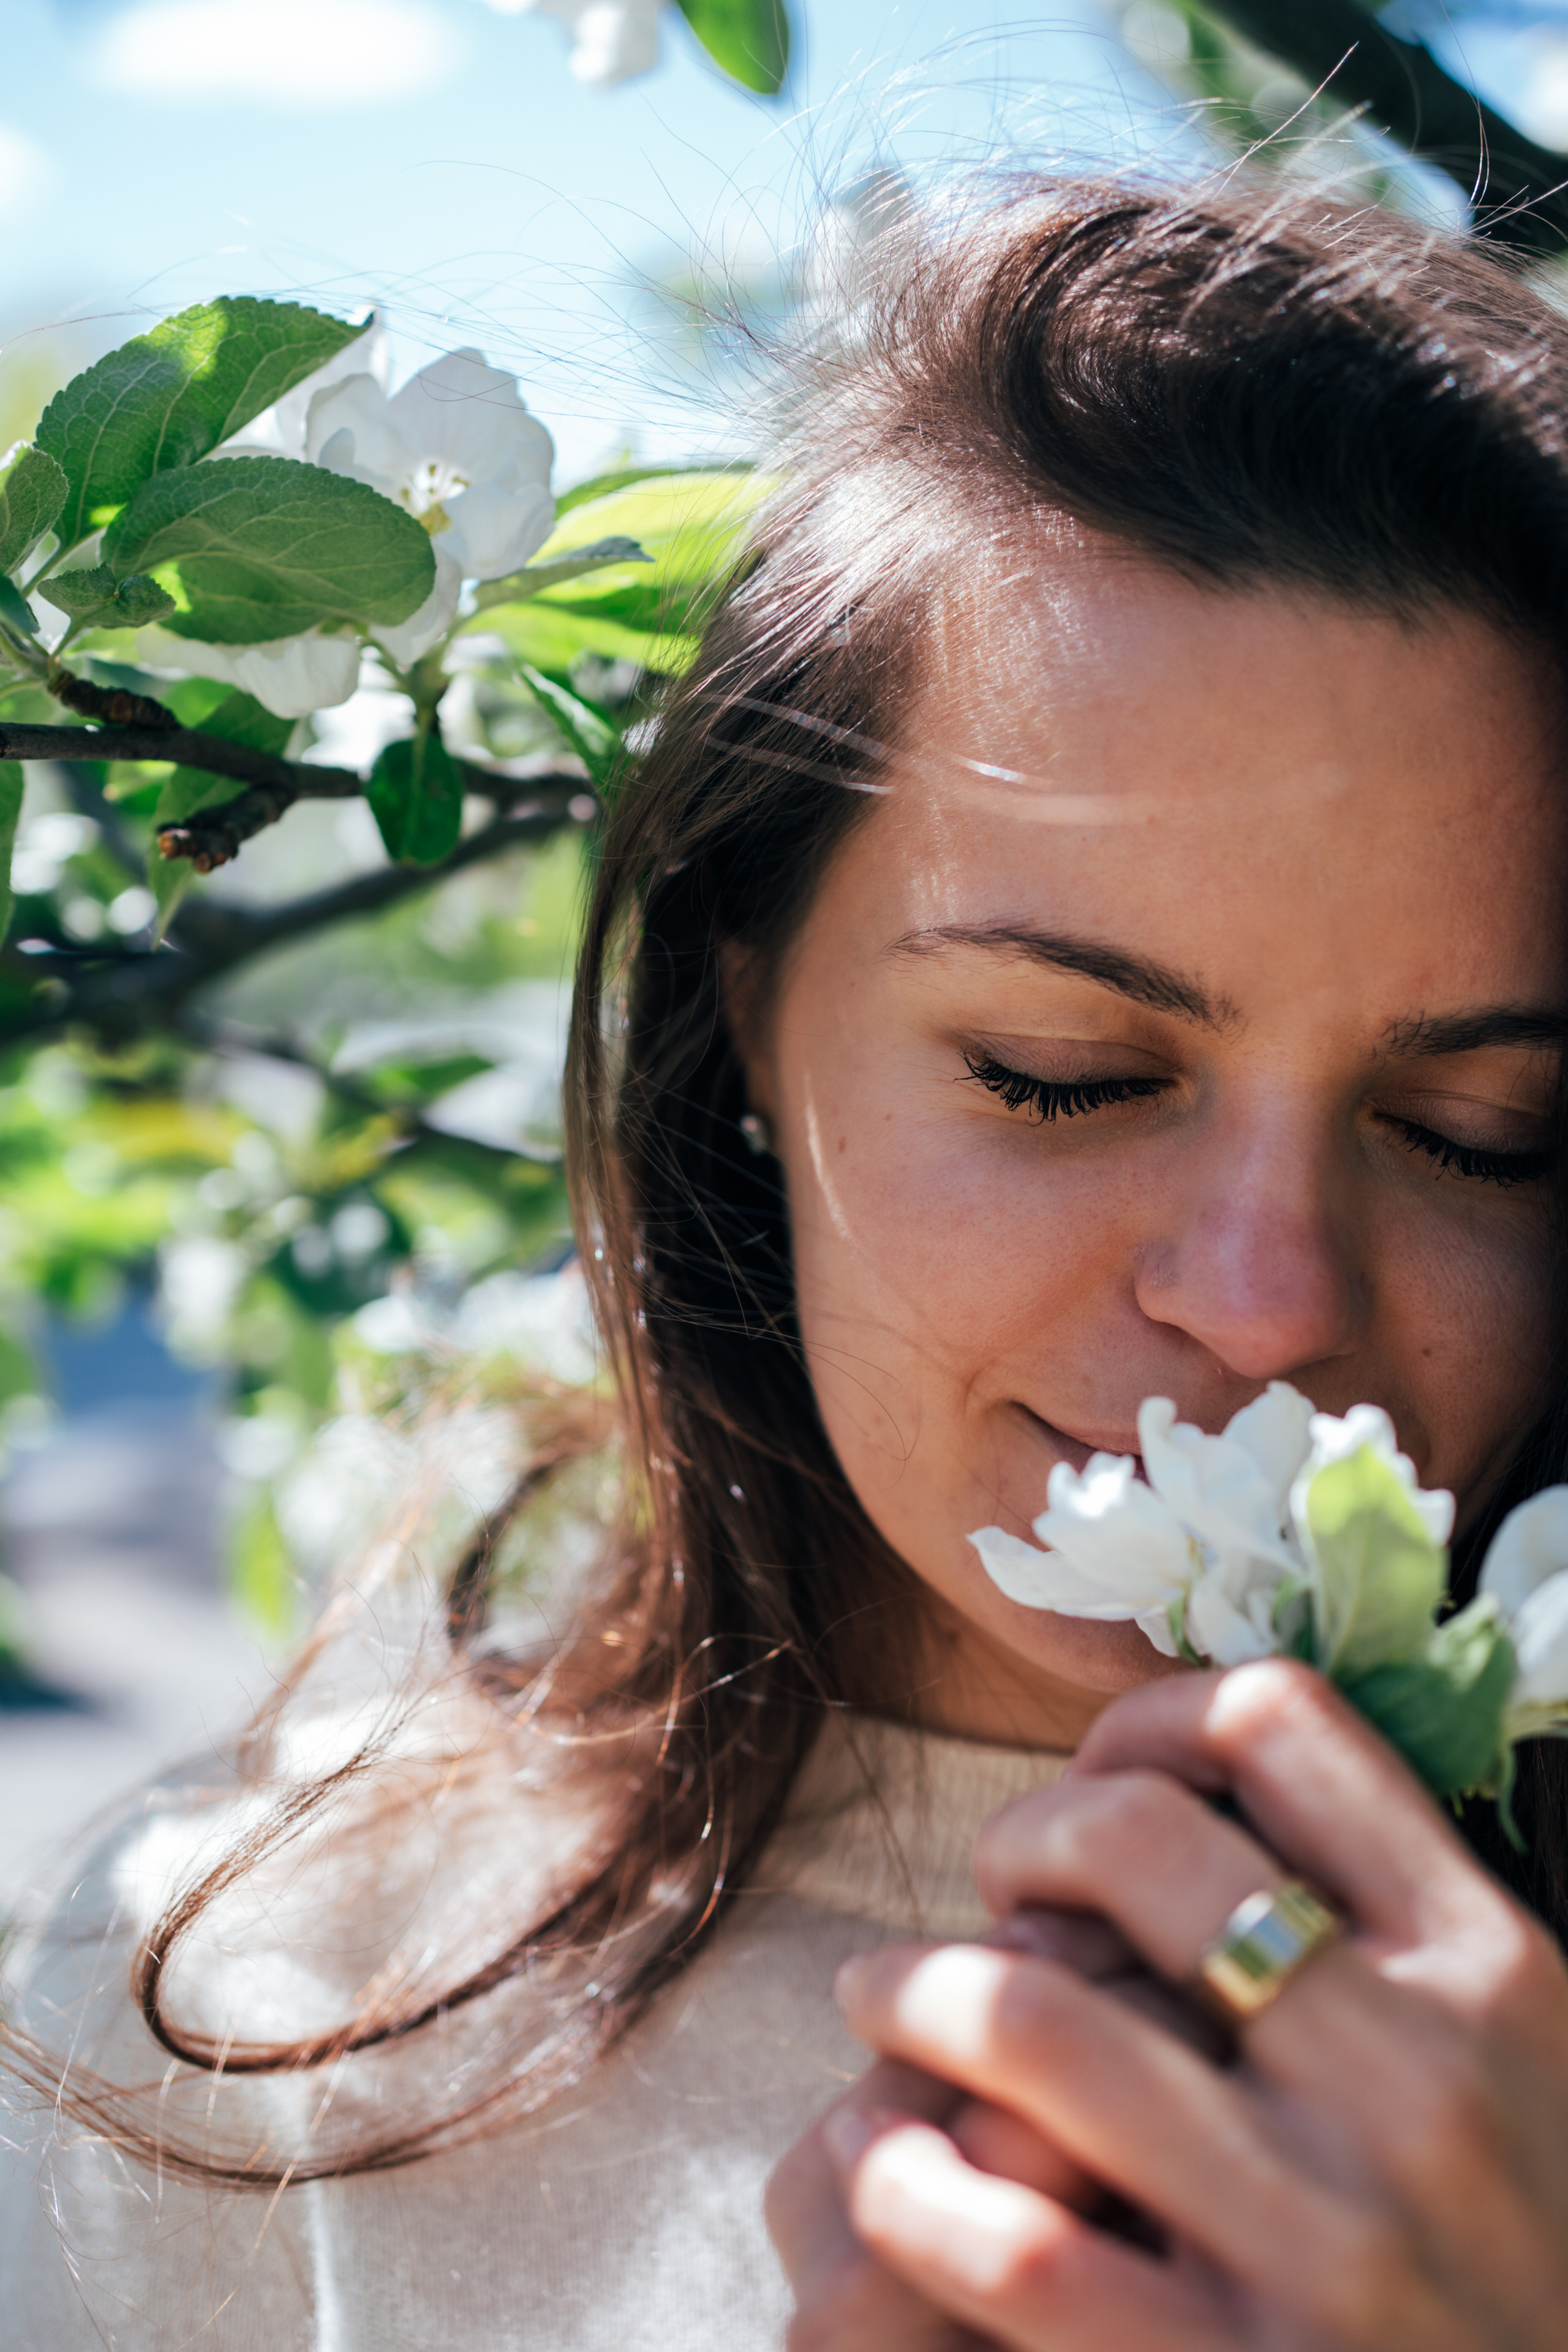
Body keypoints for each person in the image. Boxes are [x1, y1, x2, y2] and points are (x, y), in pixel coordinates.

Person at [6, 171, 1568, 2350]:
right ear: (746, 1012)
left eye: (1485, 1135)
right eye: (1054, 1075)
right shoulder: (252, 2022)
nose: (1270, 1297)